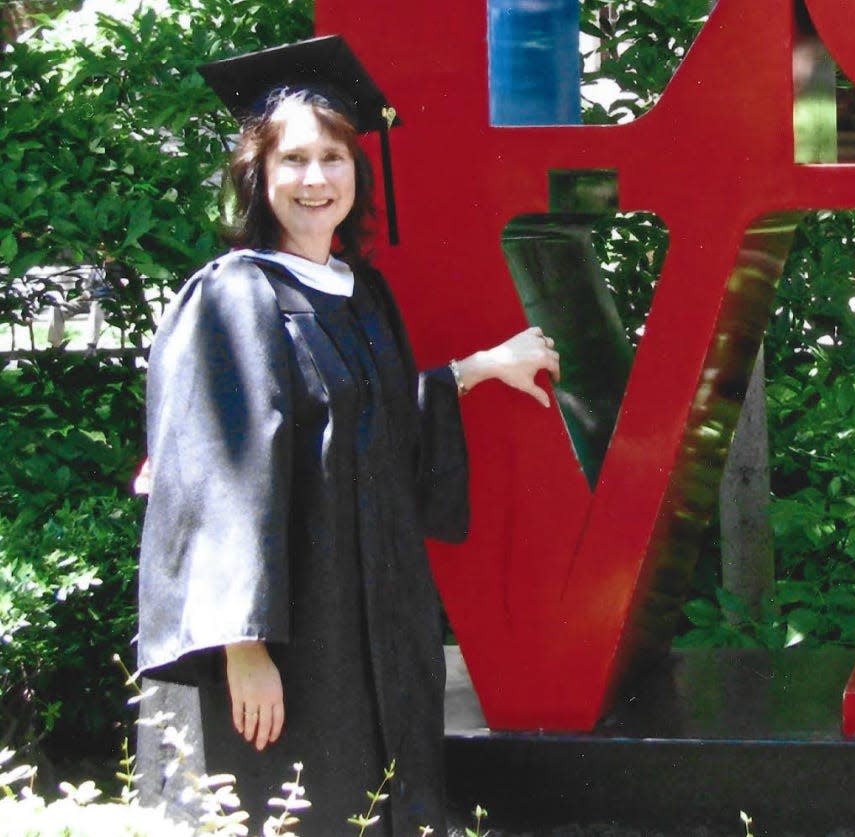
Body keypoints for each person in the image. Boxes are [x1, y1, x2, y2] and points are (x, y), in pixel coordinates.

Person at [134, 36, 560, 837]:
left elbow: (378, 420)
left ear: (358, 172)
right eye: (292, 159)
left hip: (384, 618)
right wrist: (243, 647)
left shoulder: (361, 295)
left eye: (334, 156)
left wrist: (477, 368)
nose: (315, 178)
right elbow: (216, 480)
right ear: (257, 176)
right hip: (296, 636)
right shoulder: (233, 298)